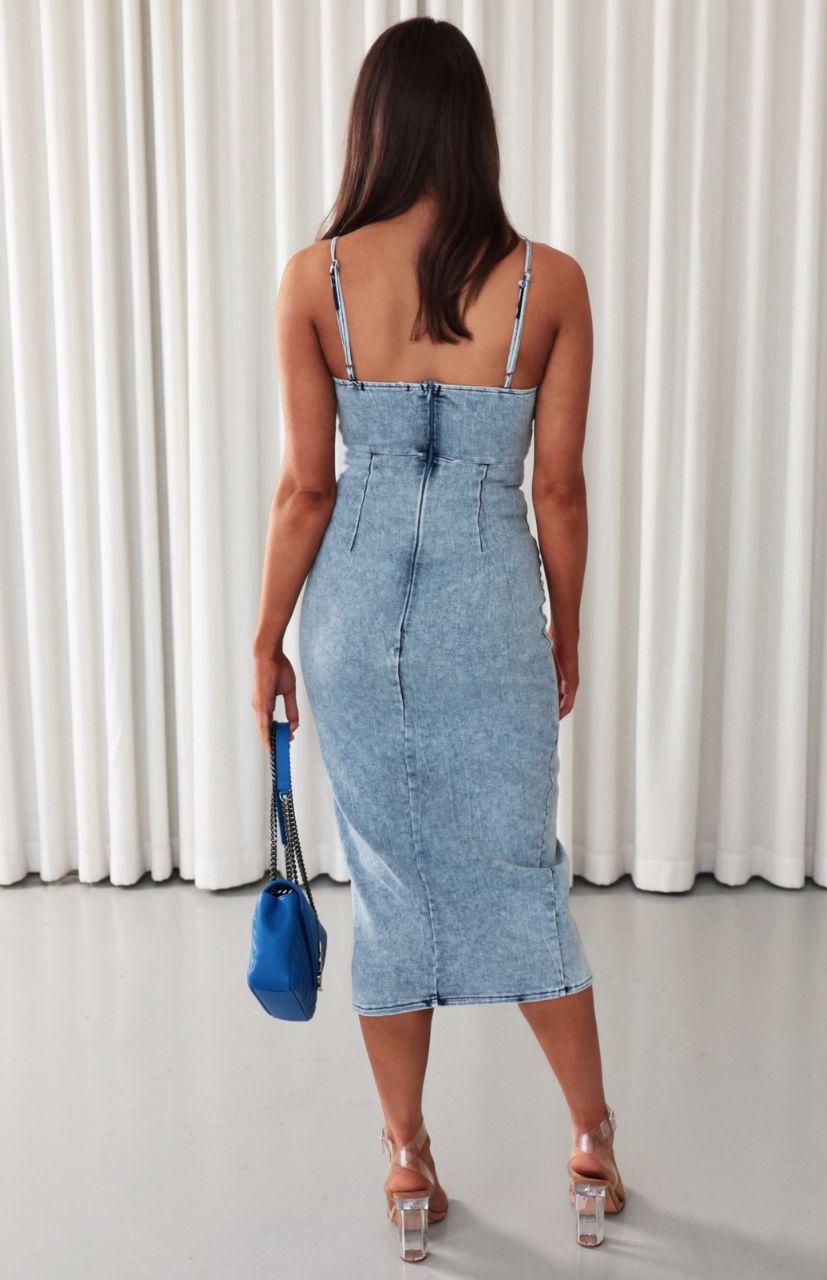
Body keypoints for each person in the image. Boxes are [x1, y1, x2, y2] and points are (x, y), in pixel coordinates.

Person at [252, 15, 625, 1260]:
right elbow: (557, 490)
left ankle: (407, 1158)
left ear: (372, 129)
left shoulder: (313, 280)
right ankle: (591, 1140)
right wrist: (565, 625)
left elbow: (308, 487)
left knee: (389, 889)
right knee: (521, 873)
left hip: (355, 619)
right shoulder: (548, 284)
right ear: (474, 130)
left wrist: (266, 638)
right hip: (486, 610)